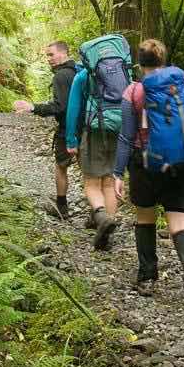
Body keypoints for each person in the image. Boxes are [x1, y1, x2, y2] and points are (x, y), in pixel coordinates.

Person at [113, 39, 184, 318]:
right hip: (180, 163)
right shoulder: (181, 87)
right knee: (180, 222)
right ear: (165, 59)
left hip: (145, 164)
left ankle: (147, 277)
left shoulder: (134, 92)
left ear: (139, 63)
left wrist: (118, 173)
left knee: (145, 217)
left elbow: (126, 137)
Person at [63, 35, 130, 250]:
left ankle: (101, 218)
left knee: (92, 182)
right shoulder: (125, 73)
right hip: (119, 130)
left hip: (94, 131)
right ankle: (107, 228)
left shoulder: (83, 76)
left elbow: (73, 110)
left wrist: (71, 139)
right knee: (110, 182)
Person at [13, 41, 78, 218]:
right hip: (88, 127)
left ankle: (61, 207)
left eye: (51, 54)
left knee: (61, 166)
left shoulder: (61, 76)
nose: (48, 59)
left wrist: (33, 108)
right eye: (47, 55)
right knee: (89, 173)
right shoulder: (80, 72)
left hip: (68, 130)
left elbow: (60, 107)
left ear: (63, 53)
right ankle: (98, 214)